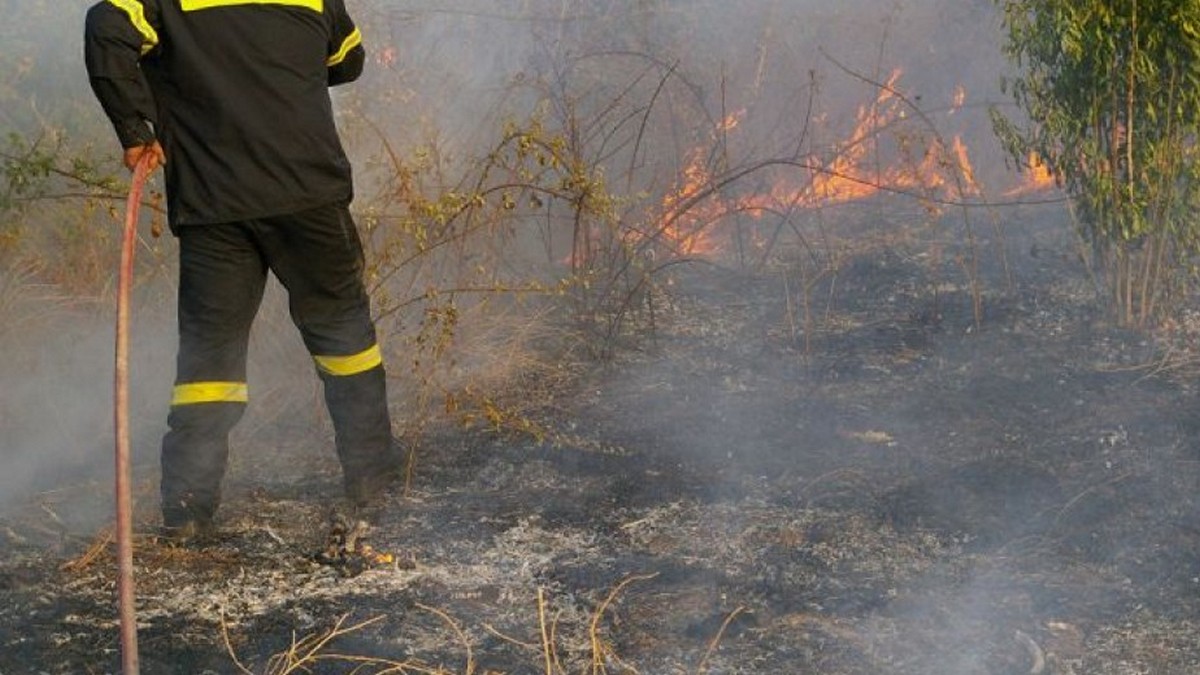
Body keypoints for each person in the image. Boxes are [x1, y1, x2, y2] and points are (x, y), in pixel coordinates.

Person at [84, 0, 400, 541]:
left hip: (215, 207)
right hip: (308, 196)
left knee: (209, 362)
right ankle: (374, 486)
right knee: (346, 343)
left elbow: (106, 25)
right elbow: (347, 60)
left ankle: (188, 512)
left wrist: (135, 128)